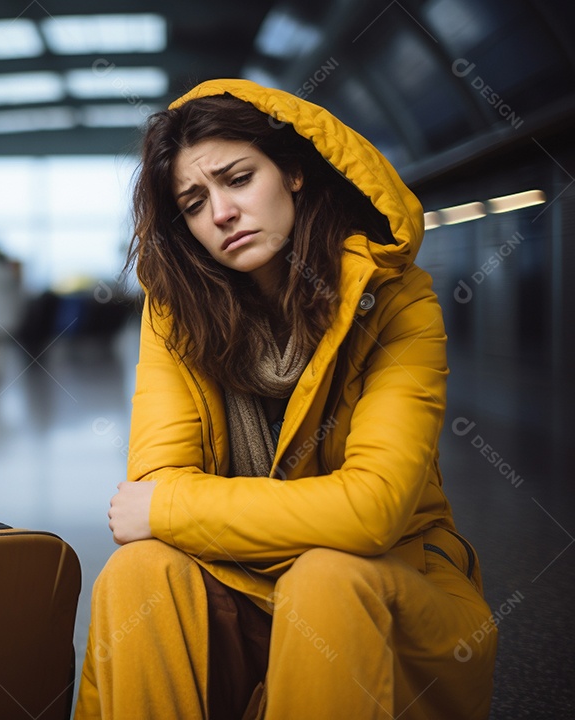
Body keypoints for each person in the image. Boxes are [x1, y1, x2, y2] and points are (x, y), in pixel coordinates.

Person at [74, 79, 496, 719]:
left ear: (293, 173)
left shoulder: (397, 300)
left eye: (238, 179)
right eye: (193, 203)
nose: (220, 213)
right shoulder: (176, 314)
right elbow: (159, 478)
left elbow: (371, 512)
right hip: (233, 579)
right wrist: (169, 505)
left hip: (384, 576)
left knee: (328, 576)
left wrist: (169, 507)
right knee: (141, 575)